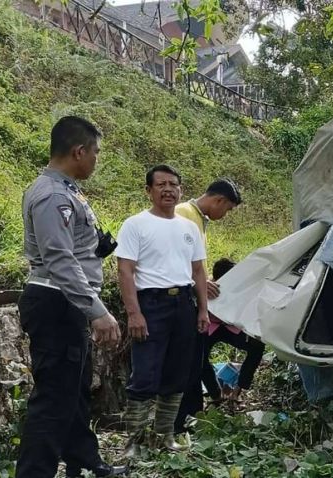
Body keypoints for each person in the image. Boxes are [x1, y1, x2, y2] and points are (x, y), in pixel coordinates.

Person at [17, 116, 126, 478]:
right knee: (52, 401)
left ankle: (85, 461)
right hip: (57, 302)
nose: (96, 159)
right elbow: (59, 259)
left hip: (66, 303)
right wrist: (97, 311)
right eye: (95, 152)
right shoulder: (52, 195)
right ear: (79, 151)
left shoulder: (66, 189)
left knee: (74, 391)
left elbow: (74, 249)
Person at [115, 164, 209, 457]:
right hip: (151, 304)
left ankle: (164, 437)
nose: (168, 189)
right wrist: (134, 313)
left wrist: (203, 309)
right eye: (161, 185)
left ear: (181, 190)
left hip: (183, 304)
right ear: (149, 191)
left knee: (177, 373)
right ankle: (134, 443)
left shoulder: (189, 227)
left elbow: (198, 271)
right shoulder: (136, 224)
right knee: (145, 374)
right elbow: (125, 270)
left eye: (173, 184)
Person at [173, 179, 242, 432]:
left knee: (195, 361)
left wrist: (202, 282)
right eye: (229, 209)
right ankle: (181, 421)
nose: (226, 214)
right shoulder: (184, 214)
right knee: (187, 363)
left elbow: (195, 263)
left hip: (191, 299)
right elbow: (174, 258)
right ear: (219, 200)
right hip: (178, 299)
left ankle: (193, 415)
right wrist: (196, 282)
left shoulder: (199, 219)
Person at [199, 259, 265, 403]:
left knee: (257, 346)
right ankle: (215, 394)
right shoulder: (208, 286)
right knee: (199, 357)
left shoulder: (243, 287)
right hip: (210, 324)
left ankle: (237, 391)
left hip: (232, 326)